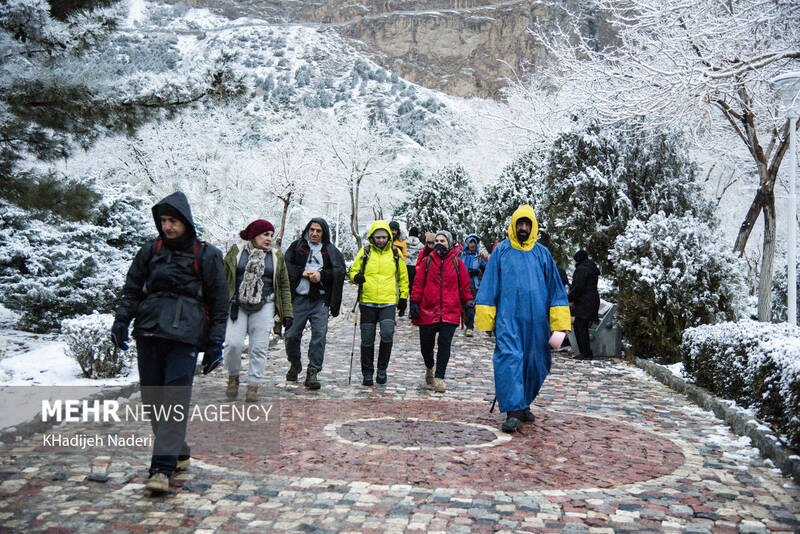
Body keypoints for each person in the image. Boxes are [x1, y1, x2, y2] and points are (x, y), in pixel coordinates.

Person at [111, 191, 228, 493]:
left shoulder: (208, 254)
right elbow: (132, 288)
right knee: (153, 402)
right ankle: (177, 450)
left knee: (174, 401)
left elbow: (219, 302)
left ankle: (161, 469)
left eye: (172, 220)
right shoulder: (149, 251)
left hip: (185, 335)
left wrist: (216, 343)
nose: (167, 226)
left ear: (186, 221)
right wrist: (122, 321)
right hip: (149, 330)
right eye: (163, 221)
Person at [475, 205, 571, 433]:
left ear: (533, 226)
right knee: (510, 361)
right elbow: (489, 286)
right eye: (520, 224)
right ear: (514, 225)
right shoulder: (501, 252)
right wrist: (488, 322)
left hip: (538, 325)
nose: (524, 228)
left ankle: (524, 401)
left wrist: (560, 328)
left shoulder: (543, 255)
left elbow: (556, 291)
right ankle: (514, 411)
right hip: (508, 321)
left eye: (528, 224)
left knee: (537, 363)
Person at [222, 219, 293, 401]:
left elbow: (284, 285)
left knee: (259, 348)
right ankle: (234, 376)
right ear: (254, 235)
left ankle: (253, 385)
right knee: (233, 344)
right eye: (265, 234)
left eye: (271, 235)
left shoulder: (276, 256)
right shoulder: (236, 252)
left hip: (265, 304)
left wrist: (287, 313)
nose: (269, 238)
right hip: (238, 305)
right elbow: (224, 278)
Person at [283, 218, 346, 389]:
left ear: (323, 233)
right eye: (312, 230)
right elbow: (285, 266)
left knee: (319, 335)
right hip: (299, 298)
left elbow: (340, 271)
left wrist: (321, 275)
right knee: (291, 335)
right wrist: (301, 272)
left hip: (321, 300)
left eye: (318, 231)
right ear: (306, 230)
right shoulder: (297, 247)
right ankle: (295, 364)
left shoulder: (331, 251)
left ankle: (313, 370)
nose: (314, 233)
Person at [410, 231, 472, 393]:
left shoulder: (458, 264)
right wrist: (414, 302)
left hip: (450, 312)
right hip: (427, 311)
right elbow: (418, 284)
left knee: (444, 345)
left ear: (449, 243)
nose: (439, 243)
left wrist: (468, 303)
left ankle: (439, 377)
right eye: (436, 240)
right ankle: (430, 366)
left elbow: (465, 286)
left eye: (443, 241)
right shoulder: (427, 262)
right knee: (426, 347)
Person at [349, 220, 409, 386]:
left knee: (388, 333)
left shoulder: (396, 253)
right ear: (372, 237)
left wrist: (403, 297)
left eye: (384, 237)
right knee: (367, 339)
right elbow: (353, 270)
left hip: (388, 302)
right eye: (378, 237)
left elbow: (403, 277)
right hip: (367, 301)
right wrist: (356, 277)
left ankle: (382, 369)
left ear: (389, 236)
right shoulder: (365, 251)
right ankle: (367, 373)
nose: (381, 240)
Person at [568, 249, 600, 361]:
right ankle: (586, 352)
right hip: (591, 300)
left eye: (574, 260)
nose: (574, 263)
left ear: (578, 259)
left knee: (580, 326)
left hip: (585, 302)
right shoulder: (591, 269)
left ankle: (585, 353)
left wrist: (569, 298)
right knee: (582, 326)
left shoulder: (581, 270)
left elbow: (578, 287)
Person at [458, 233, 487, 337]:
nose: (472, 245)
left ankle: (469, 327)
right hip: (461, 285)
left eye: (474, 243)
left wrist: (478, 272)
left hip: (474, 285)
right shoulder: (461, 255)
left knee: (470, 305)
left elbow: (486, 268)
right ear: (467, 243)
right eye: (470, 242)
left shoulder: (479, 256)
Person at [405, 226, 424, 291]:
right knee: (413, 286)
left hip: (405, 265)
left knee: (405, 284)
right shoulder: (420, 245)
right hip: (415, 266)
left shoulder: (404, 243)